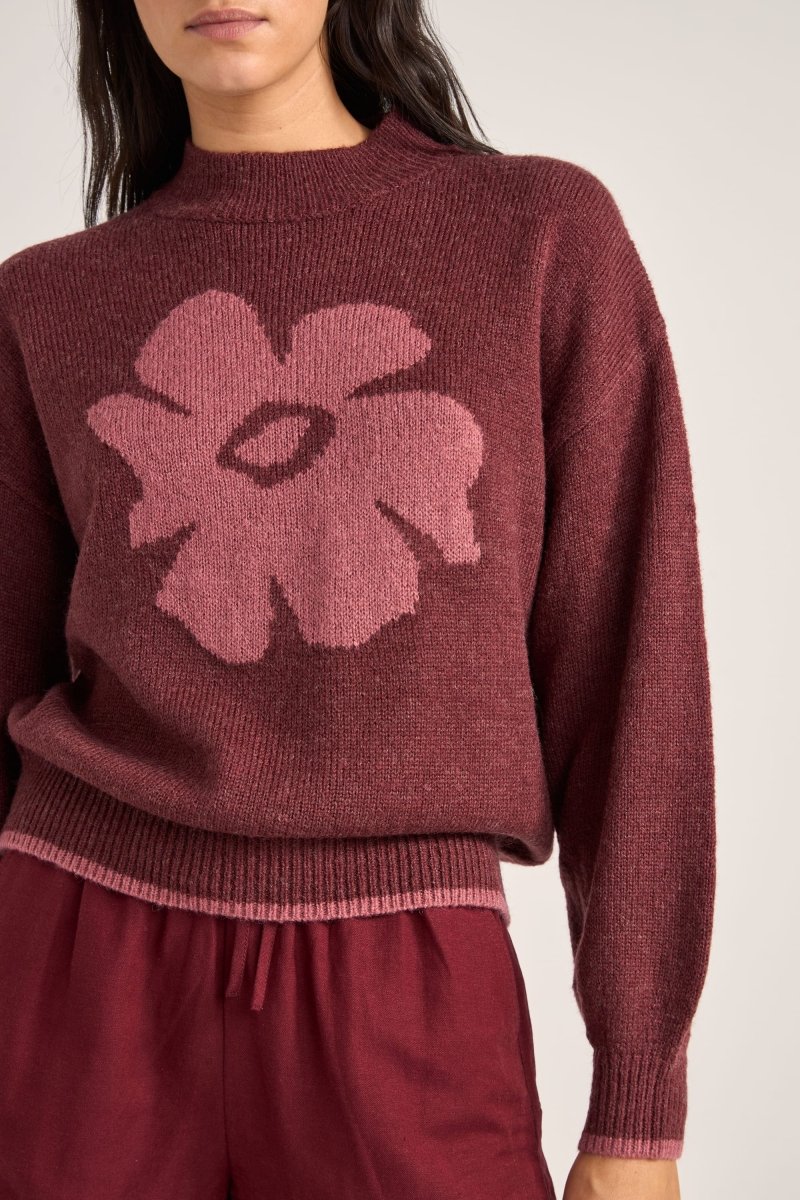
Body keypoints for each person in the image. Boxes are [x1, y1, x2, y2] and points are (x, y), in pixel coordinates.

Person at [0, 2, 716, 1198]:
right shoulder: (47, 301)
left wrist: (637, 1103)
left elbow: (631, 665)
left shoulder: (539, 235)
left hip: (408, 980)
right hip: (80, 964)